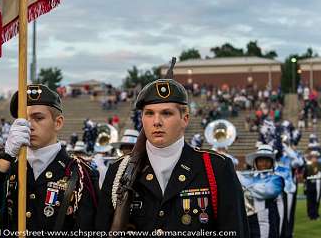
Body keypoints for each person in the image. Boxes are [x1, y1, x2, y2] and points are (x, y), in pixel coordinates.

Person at [96, 58, 249, 236]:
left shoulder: (216, 168)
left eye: (166, 113)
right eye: (149, 113)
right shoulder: (118, 171)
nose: (157, 122)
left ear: (185, 119)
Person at [0, 84, 98, 233]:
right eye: (24, 119)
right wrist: (6, 155)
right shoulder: (6, 168)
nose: (29, 126)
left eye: (38, 118)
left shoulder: (79, 173)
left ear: (58, 122)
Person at [240, 145, 284, 238]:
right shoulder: (250, 177)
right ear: (255, 162)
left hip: (266, 222)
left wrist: (240, 178)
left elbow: (265, 191)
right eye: (260, 160)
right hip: (249, 220)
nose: (263, 163)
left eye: (267, 160)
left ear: (272, 162)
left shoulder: (277, 178)